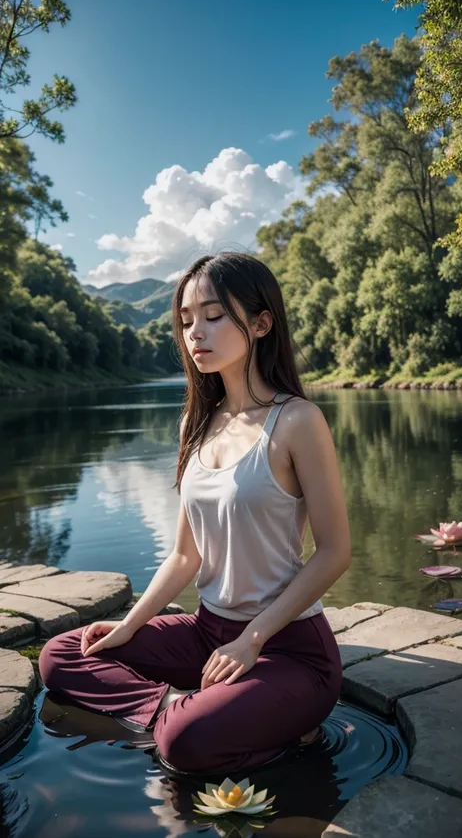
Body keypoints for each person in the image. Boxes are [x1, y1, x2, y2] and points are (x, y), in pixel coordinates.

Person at [39, 252, 351, 777]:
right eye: (185, 320)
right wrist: (129, 624)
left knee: (186, 744)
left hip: (288, 649)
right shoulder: (195, 425)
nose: (195, 333)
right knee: (64, 654)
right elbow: (185, 556)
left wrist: (252, 639)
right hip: (208, 633)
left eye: (212, 316)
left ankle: (198, 722)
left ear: (260, 323)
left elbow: (336, 552)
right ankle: (169, 710)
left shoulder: (298, 421)